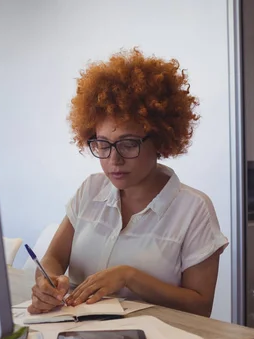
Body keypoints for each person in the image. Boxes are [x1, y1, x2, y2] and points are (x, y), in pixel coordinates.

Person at [28, 48, 228, 319]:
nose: (114, 160)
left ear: (159, 140)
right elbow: (53, 258)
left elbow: (201, 306)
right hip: (74, 336)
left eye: (128, 144)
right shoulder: (91, 190)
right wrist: (47, 282)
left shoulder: (193, 209)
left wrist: (129, 277)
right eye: (103, 145)